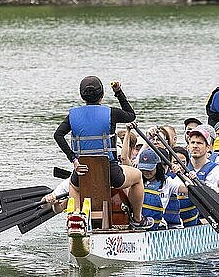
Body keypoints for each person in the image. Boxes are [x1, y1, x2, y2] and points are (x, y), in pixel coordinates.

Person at [53, 76, 153, 232]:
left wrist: (73, 159)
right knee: (138, 176)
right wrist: (119, 92)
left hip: (82, 171)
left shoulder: (72, 115)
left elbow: (58, 135)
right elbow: (130, 115)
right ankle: (137, 219)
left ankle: (76, 218)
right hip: (111, 173)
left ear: (82, 95)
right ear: (102, 94)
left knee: (74, 186)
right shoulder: (110, 113)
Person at [137, 148, 187, 230]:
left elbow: (188, 189)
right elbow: (124, 159)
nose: (146, 172)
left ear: (157, 166)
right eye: (143, 169)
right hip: (140, 226)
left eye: (150, 169)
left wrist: (180, 173)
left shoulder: (167, 182)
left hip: (158, 227)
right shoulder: (137, 180)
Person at [187, 126, 219, 198]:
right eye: (192, 142)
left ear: (208, 147)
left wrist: (218, 194)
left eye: (199, 143)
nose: (195, 146)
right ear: (188, 146)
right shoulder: (182, 166)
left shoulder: (217, 170)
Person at [169, 146, 199, 227]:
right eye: (175, 162)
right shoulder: (167, 179)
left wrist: (183, 176)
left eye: (182, 162)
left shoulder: (192, 177)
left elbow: (195, 190)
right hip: (172, 224)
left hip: (191, 224)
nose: (179, 165)